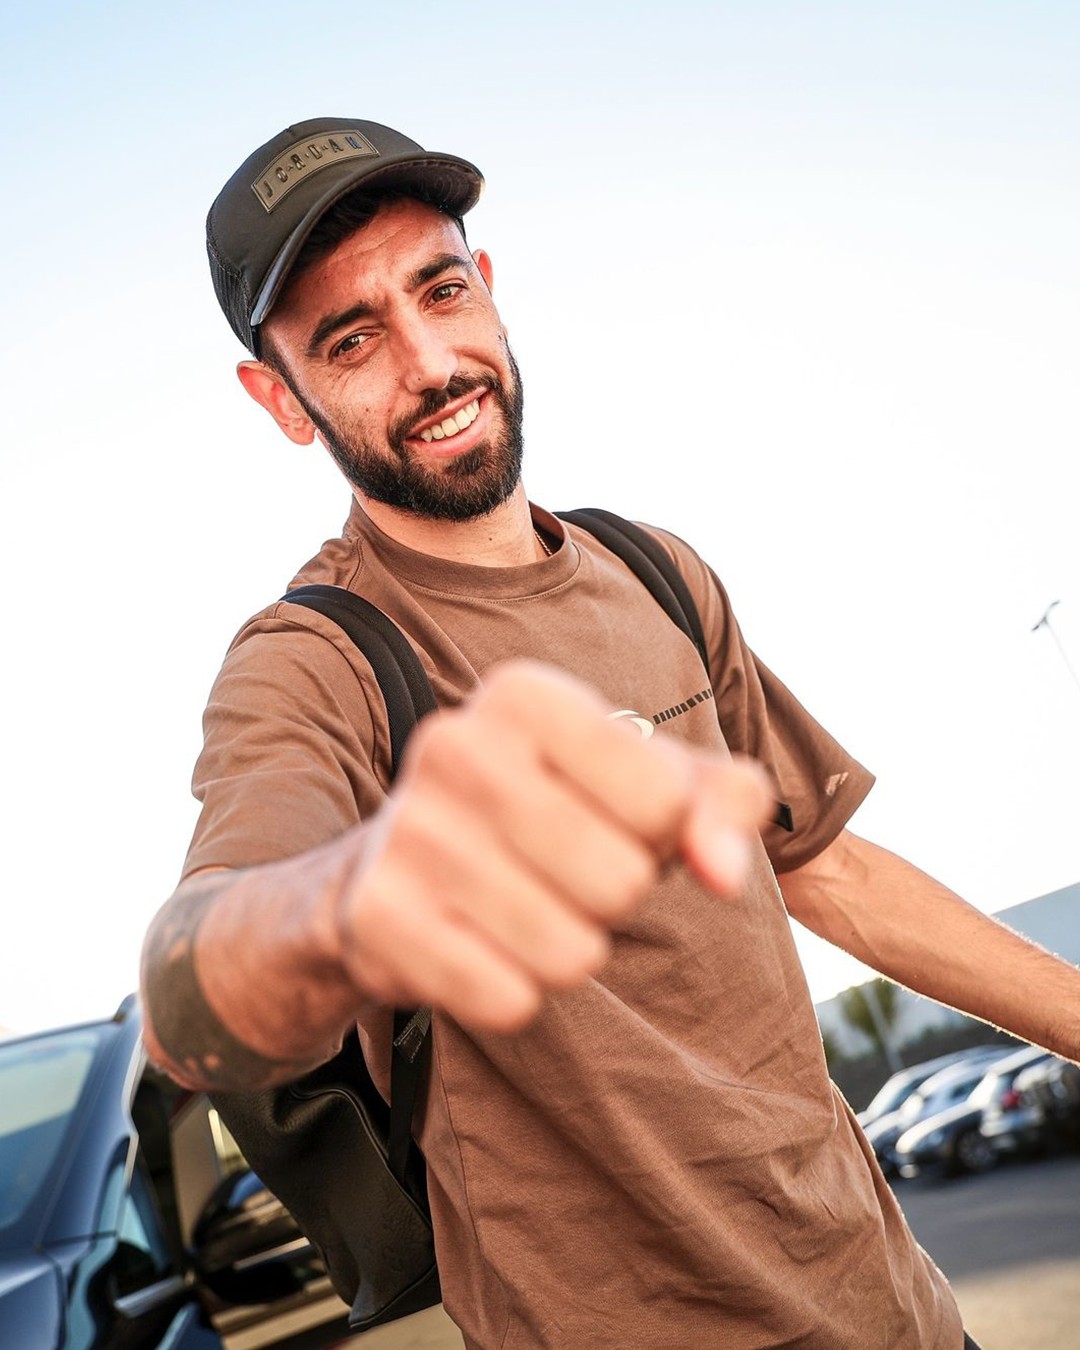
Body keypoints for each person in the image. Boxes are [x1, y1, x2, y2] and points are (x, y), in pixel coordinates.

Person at [140, 117, 1076, 1350]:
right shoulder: (312, 662)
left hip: (895, 1307)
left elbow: (827, 868)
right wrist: (346, 903)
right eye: (352, 339)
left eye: (441, 288)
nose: (430, 364)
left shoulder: (656, 572)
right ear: (282, 400)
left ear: (493, 292)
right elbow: (189, 986)